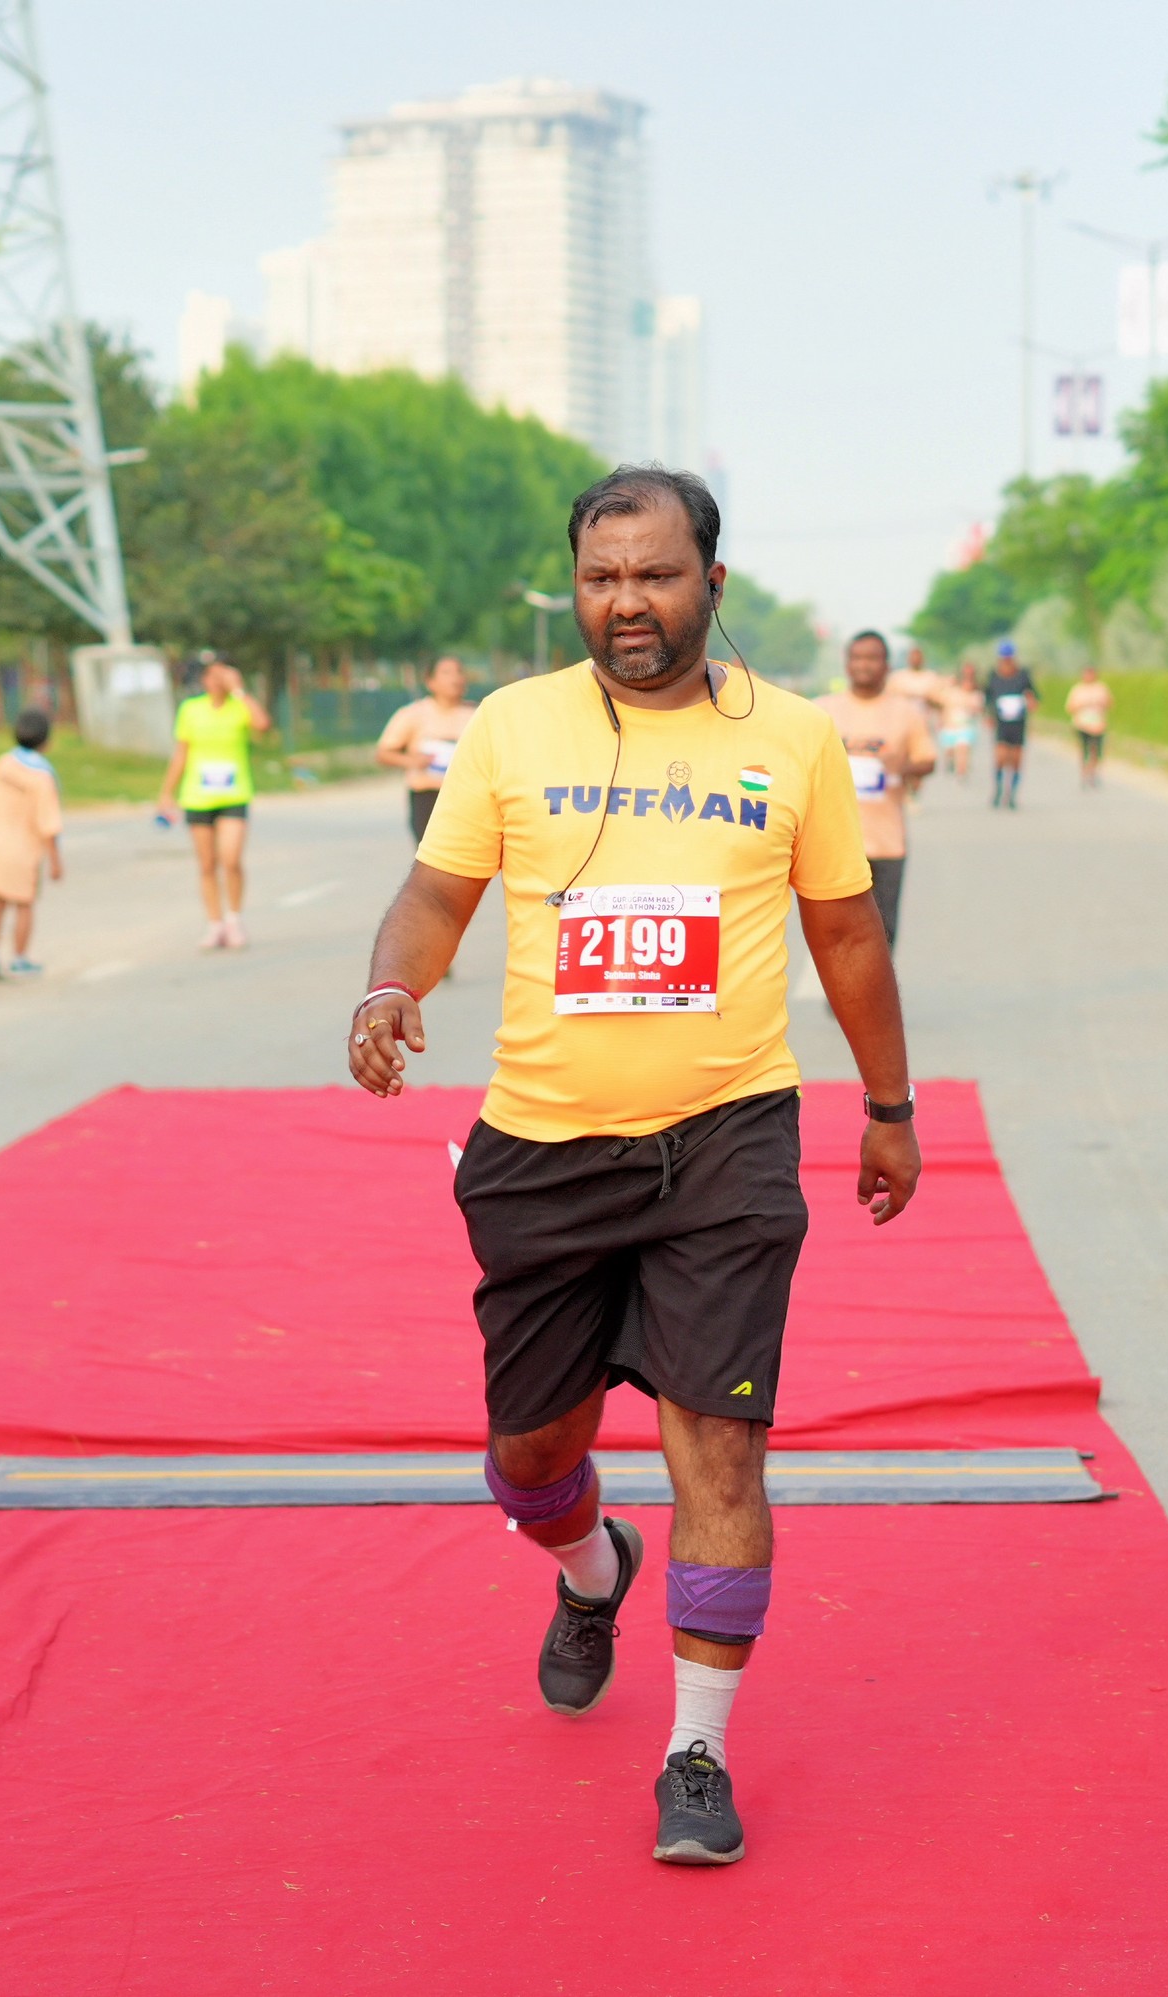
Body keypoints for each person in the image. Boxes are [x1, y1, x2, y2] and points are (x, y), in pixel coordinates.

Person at [347, 465, 920, 1869]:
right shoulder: (511, 723)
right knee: (531, 1453)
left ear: (709, 581)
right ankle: (589, 1569)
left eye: (654, 575)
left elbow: (846, 934)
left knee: (718, 1441)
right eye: (600, 578)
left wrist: (888, 1106)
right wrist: (389, 985)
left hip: (727, 1138)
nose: (626, 603)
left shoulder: (788, 737)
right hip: (541, 1151)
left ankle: (696, 1751)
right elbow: (437, 890)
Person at [814, 630, 939, 949]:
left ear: (886, 665)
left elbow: (927, 760)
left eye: (872, 658)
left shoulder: (906, 713)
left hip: (886, 843)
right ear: (847, 664)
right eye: (857, 658)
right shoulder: (821, 710)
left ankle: (877, 984)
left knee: (882, 936)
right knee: (835, 937)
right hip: (832, 845)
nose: (864, 665)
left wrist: (899, 770)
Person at [159, 652, 271, 950]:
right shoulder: (190, 709)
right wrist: (166, 792)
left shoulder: (239, 706)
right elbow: (181, 752)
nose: (217, 679)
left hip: (234, 794)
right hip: (198, 796)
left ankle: (234, 919)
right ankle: (214, 924)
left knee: (231, 860)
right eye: (211, 674)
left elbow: (262, 724)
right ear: (204, 679)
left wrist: (239, 690)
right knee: (207, 864)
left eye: (223, 673)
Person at [0, 707, 64, 980]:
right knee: (24, 903)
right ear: (46, 741)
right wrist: (55, 860)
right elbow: (48, 822)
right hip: (25, 849)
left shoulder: (2, 764)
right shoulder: (43, 776)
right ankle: (19, 958)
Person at [376, 653, 478, 844]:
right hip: (427, 799)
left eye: (459, 672)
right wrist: (412, 761)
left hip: (468, 799)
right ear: (430, 681)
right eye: (446, 673)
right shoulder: (413, 714)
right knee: (431, 857)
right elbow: (383, 753)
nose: (455, 678)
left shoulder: (478, 714)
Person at [983, 640, 1037, 809]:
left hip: (1018, 723)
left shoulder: (1023, 675)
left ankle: (1012, 794)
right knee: (1000, 758)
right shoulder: (993, 676)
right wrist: (988, 715)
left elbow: (1033, 694)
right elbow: (987, 697)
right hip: (1001, 723)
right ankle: (998, 789)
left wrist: (1031, 701)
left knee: (1016, 760)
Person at [1064, 663, 1113, 790]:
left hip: (1098, 725)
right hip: (1082, 725)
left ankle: (1093, 772)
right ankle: (1084, 773)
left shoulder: (1101, 688)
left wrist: (1100, 703)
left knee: (1096, 750)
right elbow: (1069, 707)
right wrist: (1082, 705)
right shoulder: (1077, 689)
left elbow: (1110, 703)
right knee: (1084, 750)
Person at [940, 660, 982, 784]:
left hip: (965, 727)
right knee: (950, 750)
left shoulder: (976, 693)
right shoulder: (952, 690)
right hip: (950, 727)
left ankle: (961, 771)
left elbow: (978, 709)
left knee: (963, 749)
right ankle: (952, 762)